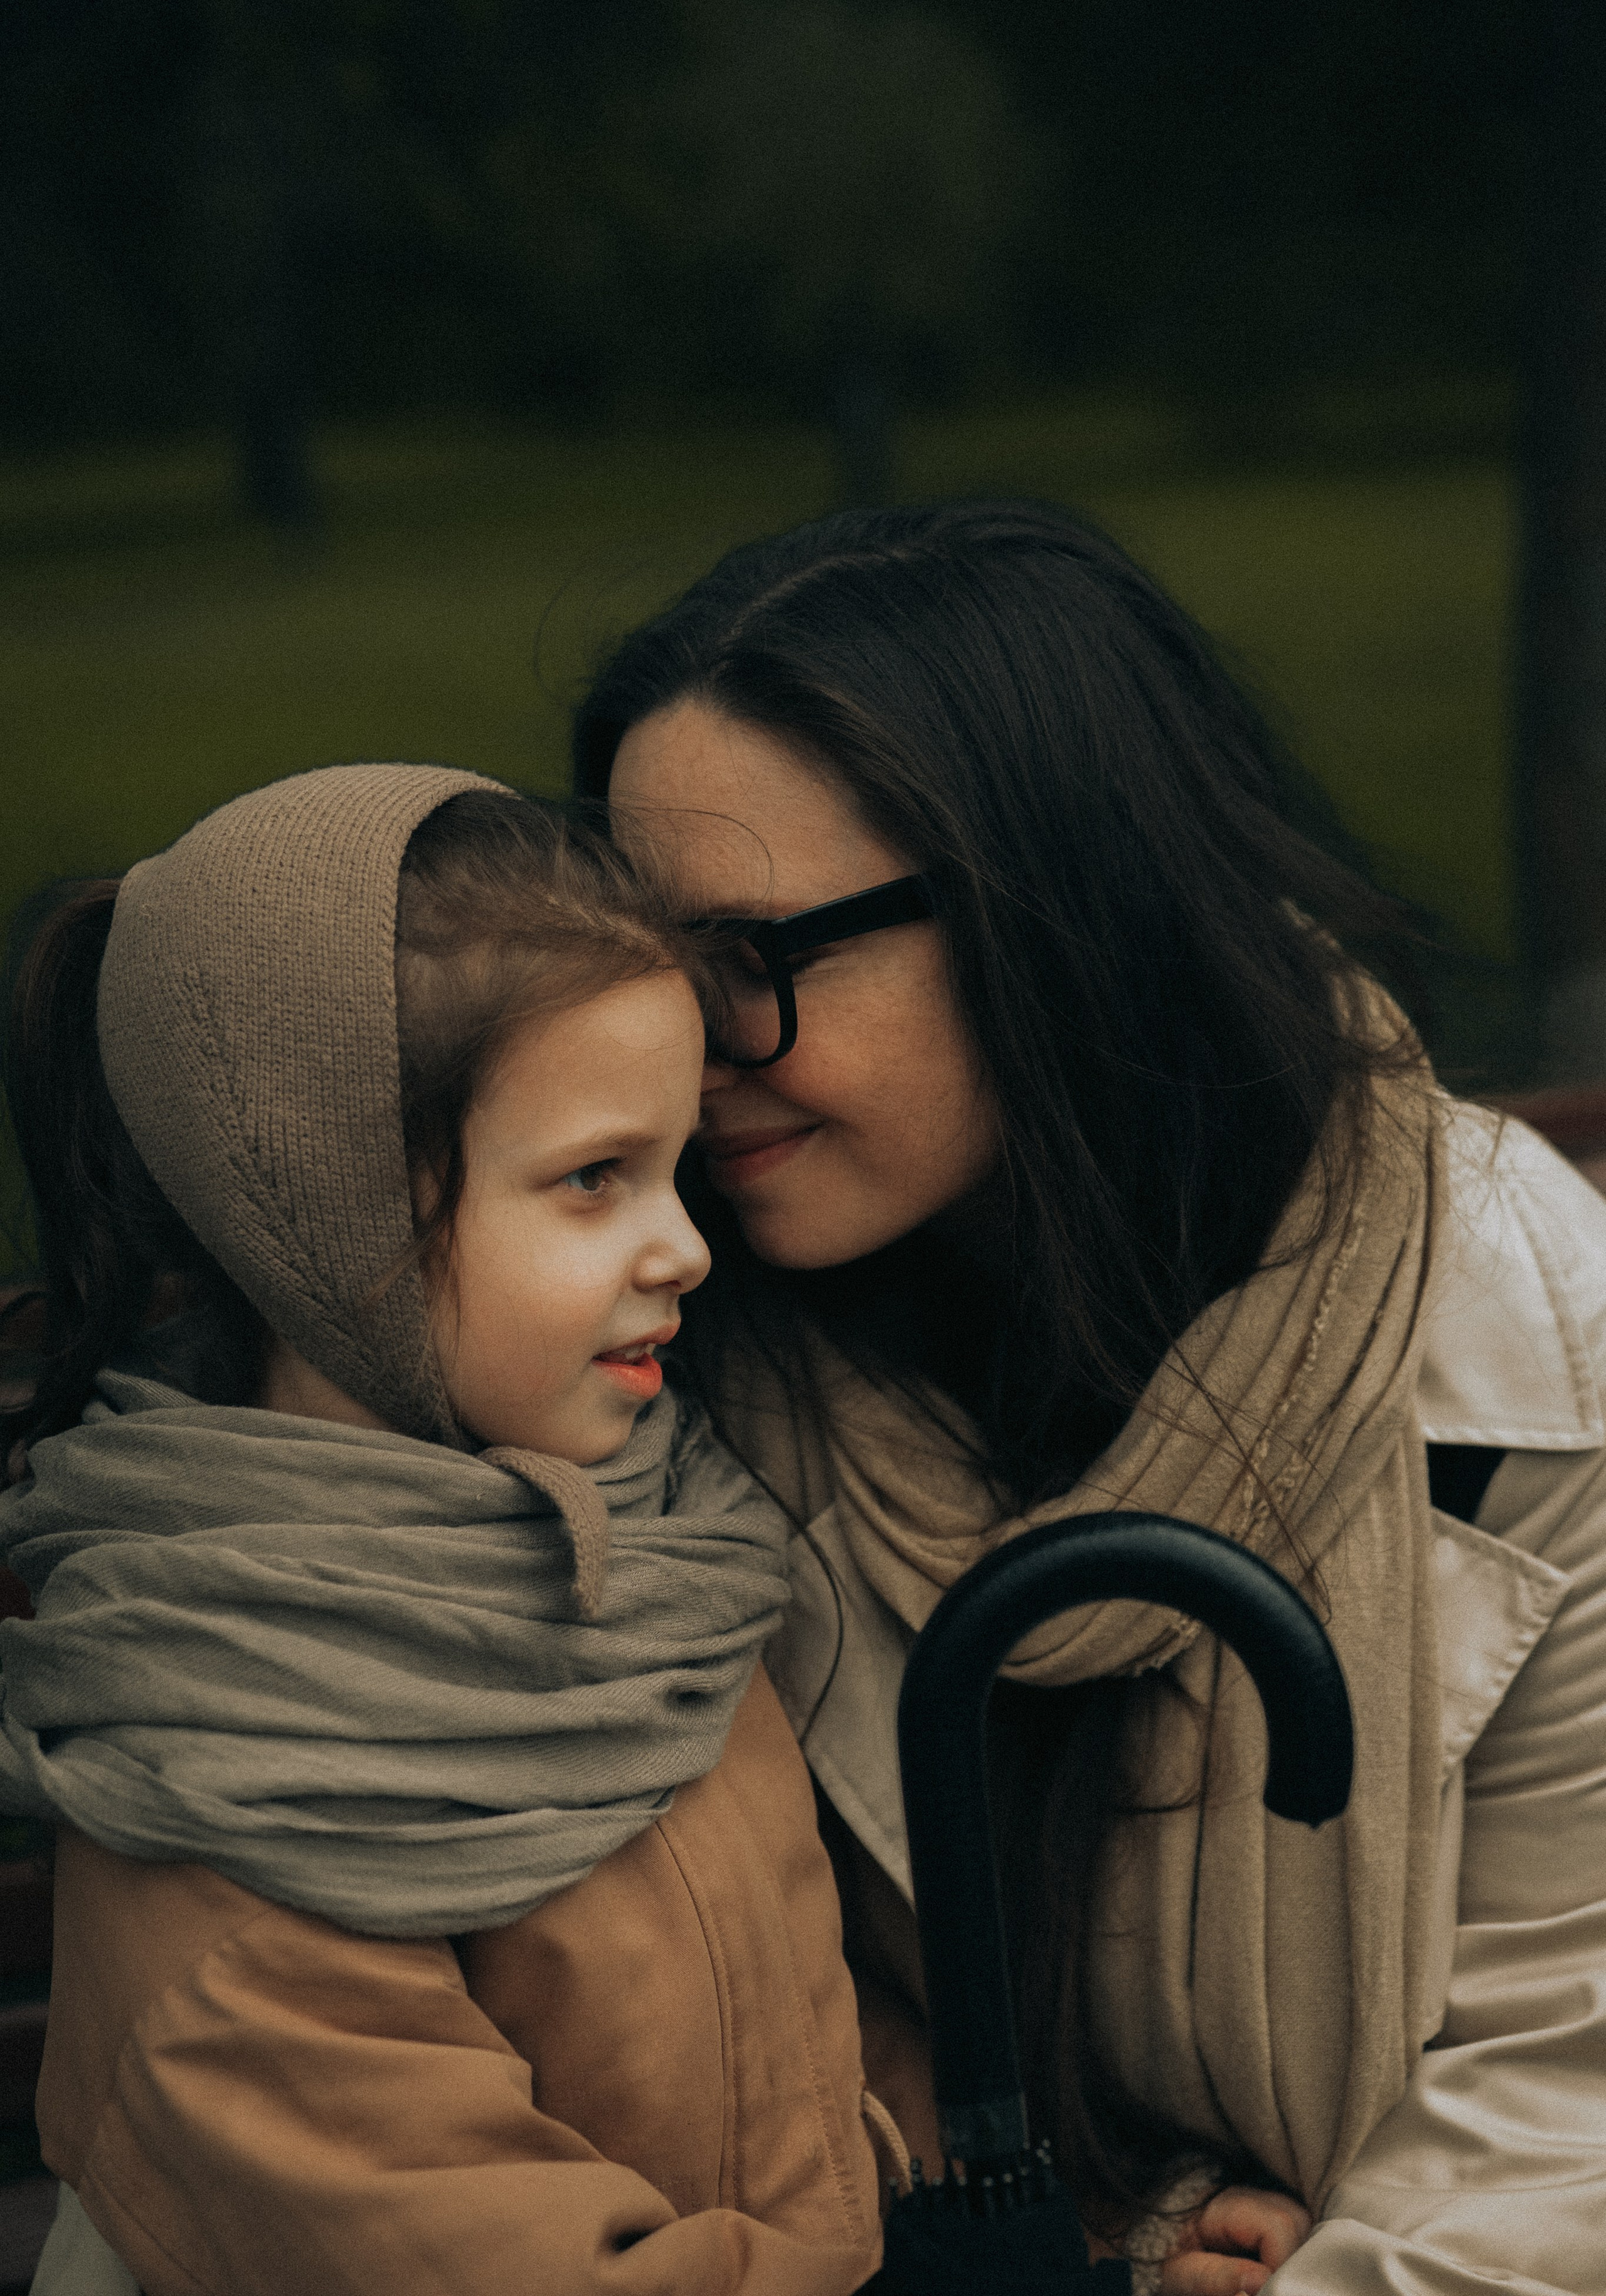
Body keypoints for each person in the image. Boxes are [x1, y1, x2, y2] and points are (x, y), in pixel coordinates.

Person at [574, 498, 1606, 2296]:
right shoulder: (637, 1342)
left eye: (754, 960)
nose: (688, 1047)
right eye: (646, 966)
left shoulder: (1525, 1345)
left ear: (1049, 911)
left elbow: (1560, 2082)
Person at [0, 764, 892, 2296]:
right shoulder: (232, 1749)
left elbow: (800, 2073)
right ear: (329, 1209)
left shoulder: (656, 1553)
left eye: (673, 1168)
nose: (685, 1246)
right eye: (594, 1178)